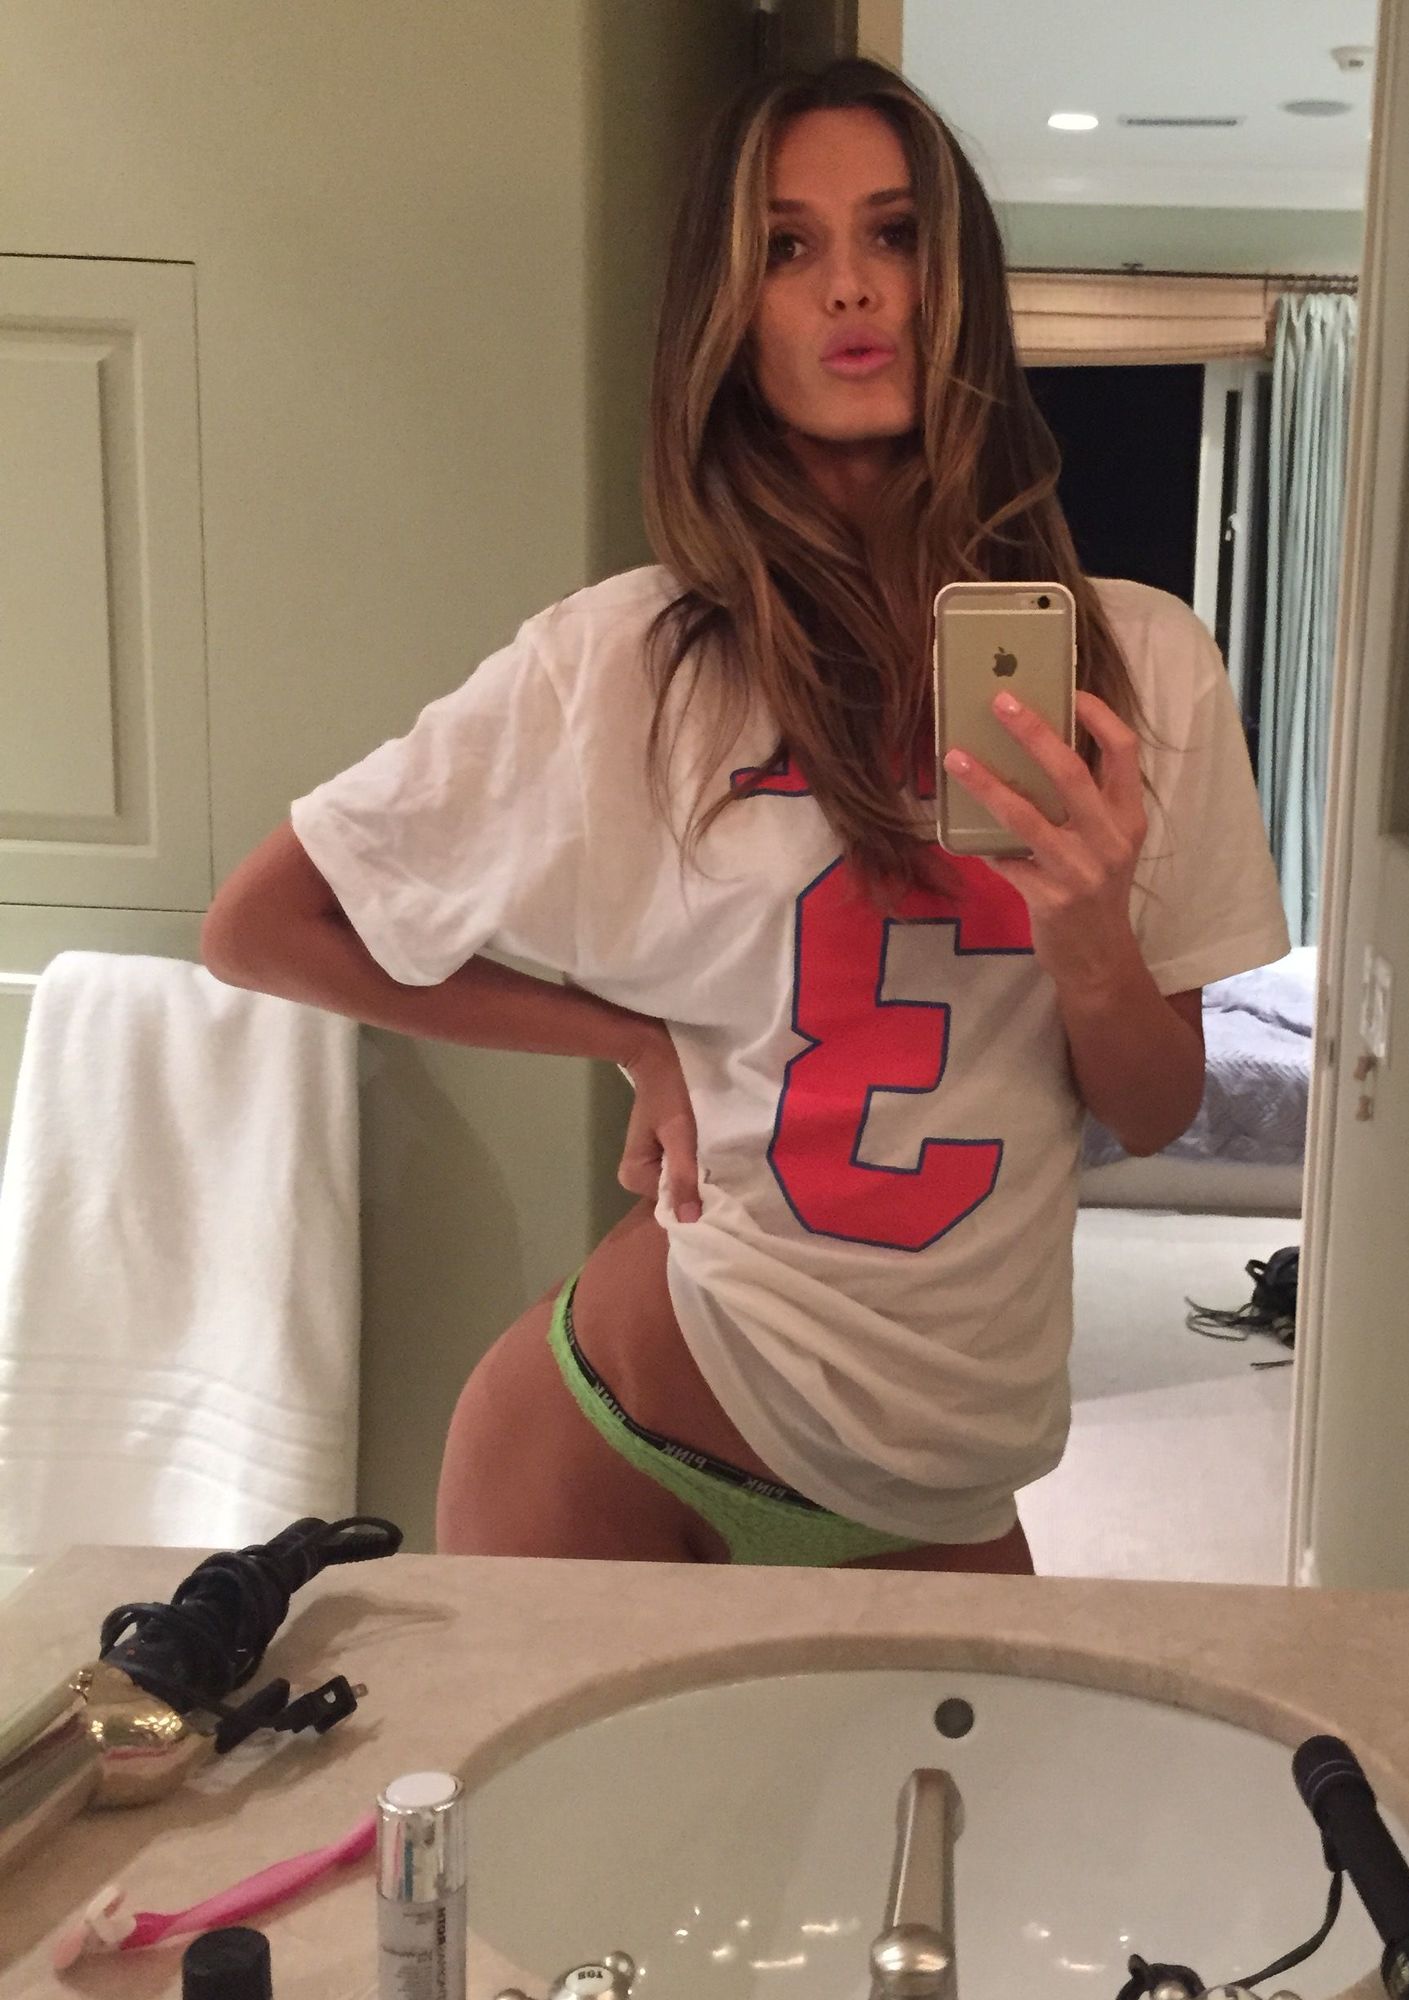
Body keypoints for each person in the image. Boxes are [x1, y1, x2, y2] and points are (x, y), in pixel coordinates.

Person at [202, 57, 1291, 1575]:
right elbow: (263, 925)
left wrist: (1092, 937)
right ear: (731, 313)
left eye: (895, 233)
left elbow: (1157, 1110)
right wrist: (627, 1038)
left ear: (959, 280)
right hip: (620, 1446)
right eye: (787, 246)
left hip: (942, 1493)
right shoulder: (630, 659)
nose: (851, 286)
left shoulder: (1142, 664)